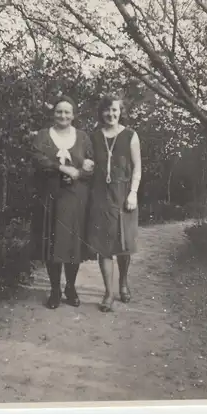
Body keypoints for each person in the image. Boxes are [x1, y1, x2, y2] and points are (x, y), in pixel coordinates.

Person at [31, 95, 94, 310]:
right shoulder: (42, 136)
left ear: (73, 115)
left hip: (76, 197)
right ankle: (55, 289)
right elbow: (39, 160)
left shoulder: (83, 137)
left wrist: (81, 170)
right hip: (51, 197)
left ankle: (71, 288)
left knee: (73, 245)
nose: (63, 115)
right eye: (59, 111)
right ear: (53, 113)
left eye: (67, 112)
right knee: (53, 244)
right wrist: (61, 168)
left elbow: (91, 165)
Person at [87, 94, 141, 312]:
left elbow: (137, 167)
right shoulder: (94, 137)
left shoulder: (130, 135)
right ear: (101, 112)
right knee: (104, 245)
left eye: (115, 110)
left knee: (124, 244)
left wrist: (133, 193)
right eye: (107, 110)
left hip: (124, 193)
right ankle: (108, 293)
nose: (111, 114)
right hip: (100, 195)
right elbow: (88, 163)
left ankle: (123, 283)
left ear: (120, 112)